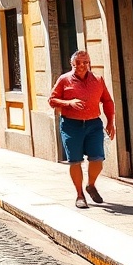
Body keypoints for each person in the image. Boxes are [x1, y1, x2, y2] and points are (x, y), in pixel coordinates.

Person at [48, 50, 116, 209]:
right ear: (72, 64)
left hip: (93, 124)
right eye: (78, 62)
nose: (82, 66)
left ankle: (90, 185)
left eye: (85, 62)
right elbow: (52, 100)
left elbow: (107, 101)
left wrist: (111, 122)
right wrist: (69, 103)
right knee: (75, 161)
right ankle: (80, 195)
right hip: (71, 125)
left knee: (98, 159)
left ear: (89, 63)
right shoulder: (64, 80)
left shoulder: (98, 80)